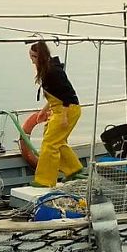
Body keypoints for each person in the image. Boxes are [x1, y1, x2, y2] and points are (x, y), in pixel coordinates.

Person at [27, 41, 83, 186]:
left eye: (33, 57)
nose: (32, 60)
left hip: (68, 109)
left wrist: (64, 116)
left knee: (50, 144)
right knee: (57, 140)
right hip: (60, 108)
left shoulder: (53, 72)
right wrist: (44, 110)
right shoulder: (47, 69)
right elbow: (55, 94)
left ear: (41, 56)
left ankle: (45, 180)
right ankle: (74, 169)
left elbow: (67, 94)